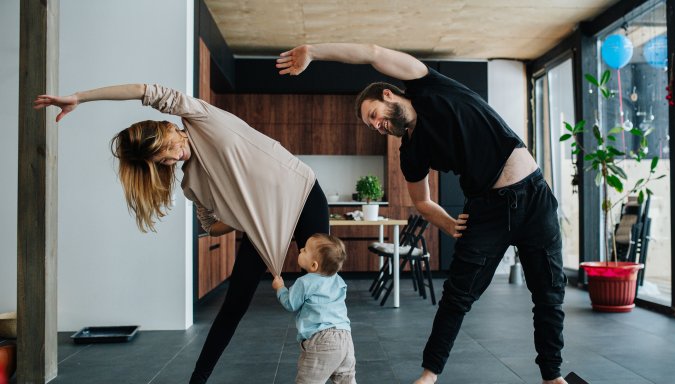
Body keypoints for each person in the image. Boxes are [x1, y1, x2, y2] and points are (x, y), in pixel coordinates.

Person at [276, 43, 567, 384]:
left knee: (549, 292)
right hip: (487, 210)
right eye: (373, 127)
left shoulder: (429, 86)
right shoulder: (410, 153)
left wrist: (314, 51)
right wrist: (448, 223)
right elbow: (421, 201)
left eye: (375, 116)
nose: (378, 126)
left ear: (388, 95)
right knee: (457, 296)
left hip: (533, 196)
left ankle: (552, 377)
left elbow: (371, 52)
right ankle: (429, 376)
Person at [34, 84, 329, 384]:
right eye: (163, 162)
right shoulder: (191, 184)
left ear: (168, 130)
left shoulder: (199, 117)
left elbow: (142, 90)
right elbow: (211, 226)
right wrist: (242, 217)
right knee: (234, 305)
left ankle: (336, 365)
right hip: (262, 226)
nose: (173, 159)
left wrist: (81, 98)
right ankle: (197, 380)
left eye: (167, 149)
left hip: (302, 194)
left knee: (322, 291)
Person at [272, 233, 356, 384]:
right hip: (345, 337)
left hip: (322, 340)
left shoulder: (305, 282)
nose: (301, 250)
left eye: (305, 250)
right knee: (346, 380)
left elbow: (290, 304)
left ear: (313, 265)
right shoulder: (338, 279)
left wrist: (280, 288)